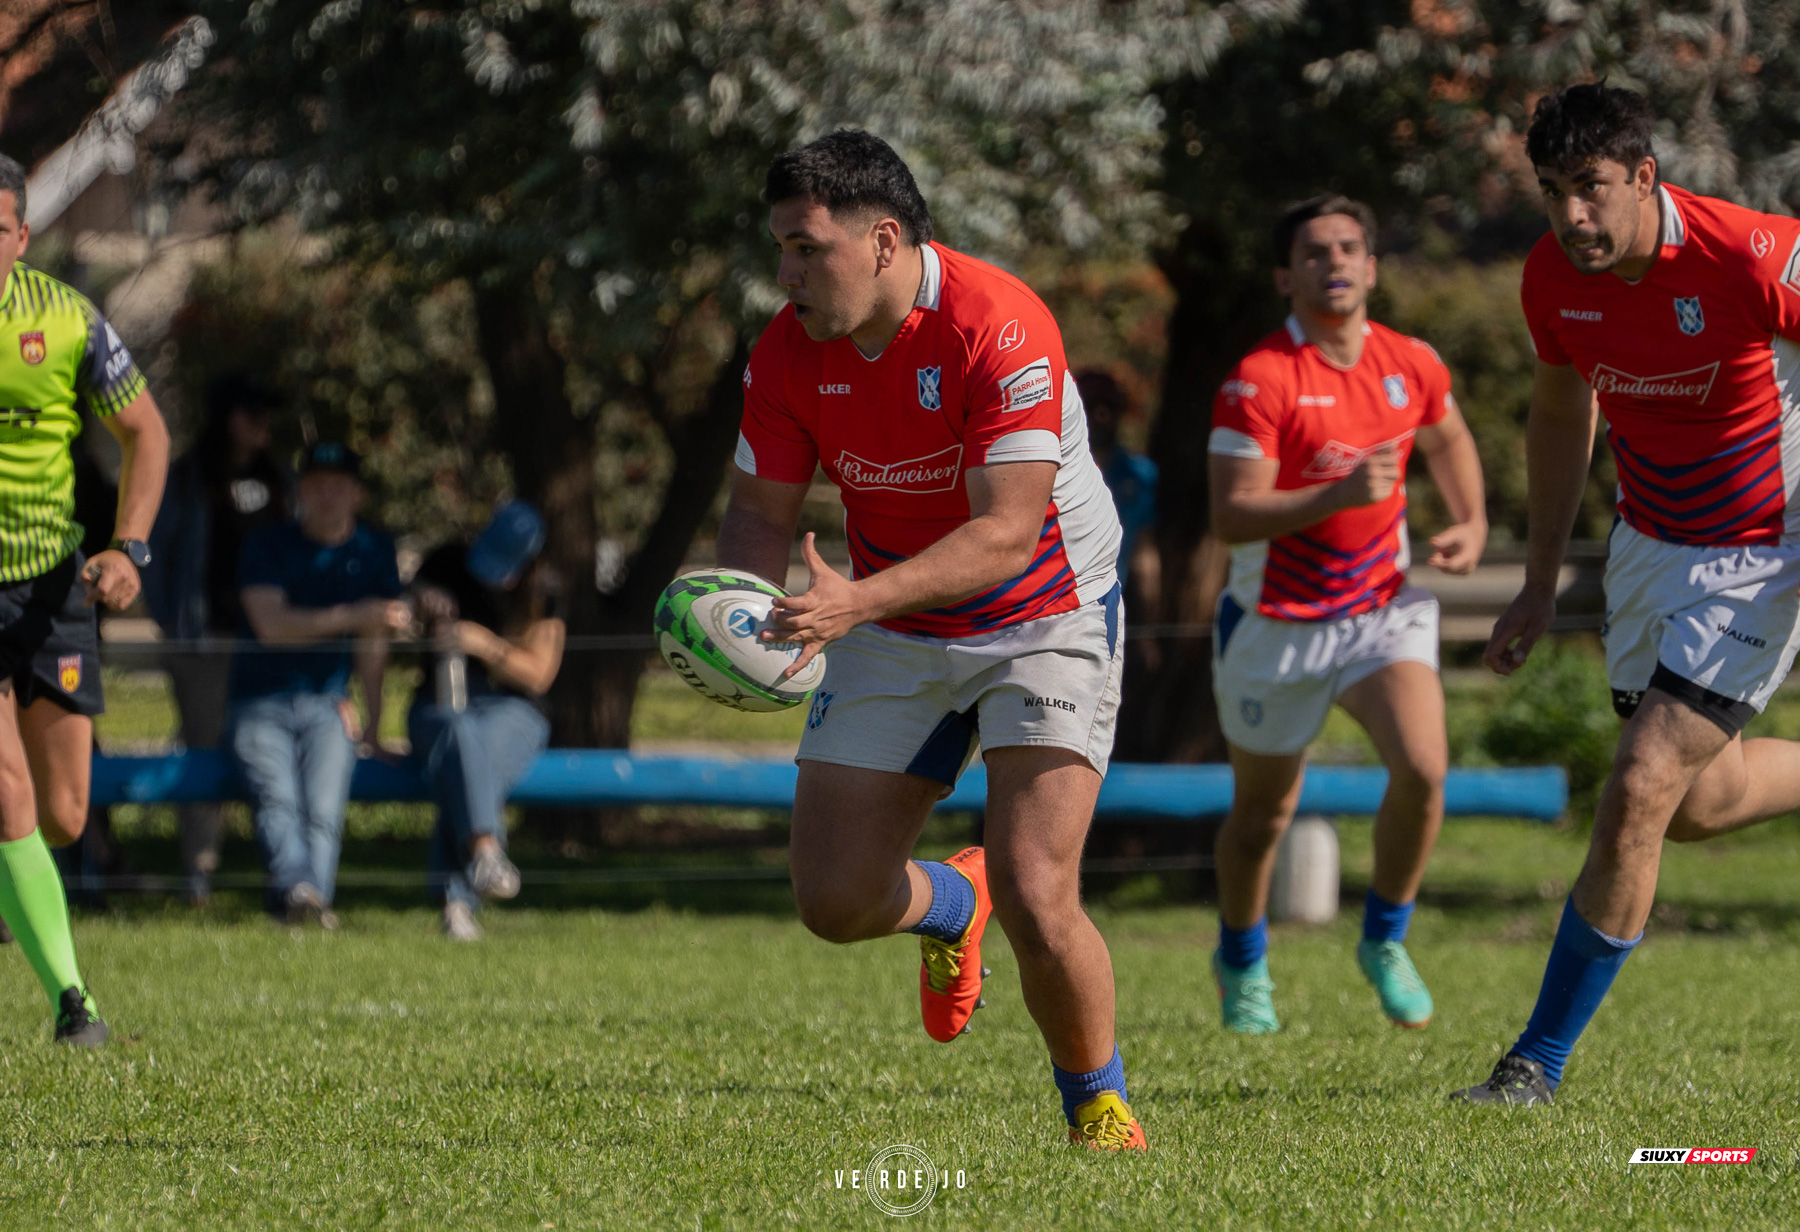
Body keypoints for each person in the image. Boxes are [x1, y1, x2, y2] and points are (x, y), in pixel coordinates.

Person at [722, 131, 1144, 1149]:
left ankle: (1098, 1105)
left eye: (803, 248)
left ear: (882, 240)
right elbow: (757, 519)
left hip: (1046, 611)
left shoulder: (998, 324)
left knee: (1041, 890)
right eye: (779, 247)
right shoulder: (786, 348)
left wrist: (850, 604)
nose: (785, 275)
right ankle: (954, 903)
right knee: (834, 898)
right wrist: (732, 617)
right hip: (887, 613)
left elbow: (1005, 534)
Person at [1455, 83, 1800, 1105]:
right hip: (1649, 547)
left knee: (1642, 781)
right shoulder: (1551, 278)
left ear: (1646, 176)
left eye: (1593, 189)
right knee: (1696, 804)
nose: (1573, 217)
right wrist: (1536, 581)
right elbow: (1563, 411)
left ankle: (1536, 1061)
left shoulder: (1751, 254)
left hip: (1764, 549)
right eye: (1555, 192)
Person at [1207, 194, 1488, 1034]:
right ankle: (1242, 961)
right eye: (1315, 251)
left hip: (1380, 609)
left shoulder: (1410, 362)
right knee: (1262, 820)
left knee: (1425, 768)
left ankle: (1385, 939)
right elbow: (1230, 515)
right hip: (1274, 625)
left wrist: (1470, 520)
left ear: (1371, 266)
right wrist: (1333, 492)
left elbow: (1446, 437)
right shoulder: (1258, 380)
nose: (1335, 262)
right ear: (1284, 275)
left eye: (1349, 248)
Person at [0, 152, 171, 1046]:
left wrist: (129, 546)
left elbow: (145, 433)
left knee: (64, 815)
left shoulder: (66, 321)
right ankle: (76, 1003)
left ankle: (13, 889)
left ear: (21, 238)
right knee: (7, 794)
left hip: (50, 588)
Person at [227, 442, 409, 928]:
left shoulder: (373, 550)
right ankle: (298, 891)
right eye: (315, 485)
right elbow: (271, 625)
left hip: (330, 703)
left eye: (338, 486)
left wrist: (373, 721)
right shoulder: (265, 545)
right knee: (277, 798)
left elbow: (375, 640)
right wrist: (354, 614)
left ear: (358, 494)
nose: (326, 495)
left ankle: (308, 902)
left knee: (324, 808)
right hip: (259, 700)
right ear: (300, 492)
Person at [145, 372, 291, 904]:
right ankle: (198, 872)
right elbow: (156, 556)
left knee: (271, 747)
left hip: (268, 643)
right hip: (205, 643)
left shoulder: (280, 481)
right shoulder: (188, 478)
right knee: (203, 745)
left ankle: (284, 871)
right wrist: (174, 627)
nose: (264, 426)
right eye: (255, 415)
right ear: (230, 419)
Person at [409, 501, 564, 941]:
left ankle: (455, 902)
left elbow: (540, 674)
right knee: (458, 736)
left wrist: (485, 645)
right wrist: (422, 598)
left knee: (468, 757)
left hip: (514, 710)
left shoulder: (544, 590)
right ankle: (486, 852)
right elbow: (404, 600)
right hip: (441, 703)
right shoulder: (445, 562)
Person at [1078, 370, 1160, 613]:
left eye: (1109, 407)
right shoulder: (1052, 471)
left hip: (1114, 605)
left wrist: (1148, 624)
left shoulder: (1141, 473)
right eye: (1091, 406)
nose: (1101, 415)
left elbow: (1144, 553)